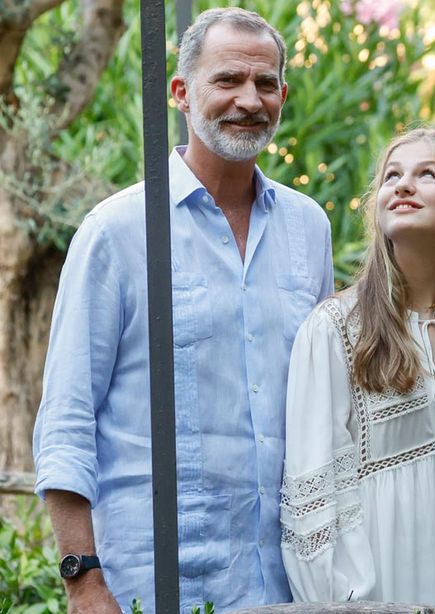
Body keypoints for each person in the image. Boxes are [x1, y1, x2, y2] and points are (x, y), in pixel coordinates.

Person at [32, 8, 333, 612]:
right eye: (227, 80)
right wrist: (83, 581)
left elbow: (325, 400)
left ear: (282, 95)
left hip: (290, 582)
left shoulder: (310, 228)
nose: (249, 99)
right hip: (151, 583)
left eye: (265, 83)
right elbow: (67, 417)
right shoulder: (117, 231)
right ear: (180, 93)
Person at [280, 129, 435, 609]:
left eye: (427, 175)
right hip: (380, 591)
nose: (403, 186)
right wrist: (349, 602)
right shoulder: (334, 329)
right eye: (392, 176)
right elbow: (311, 499)